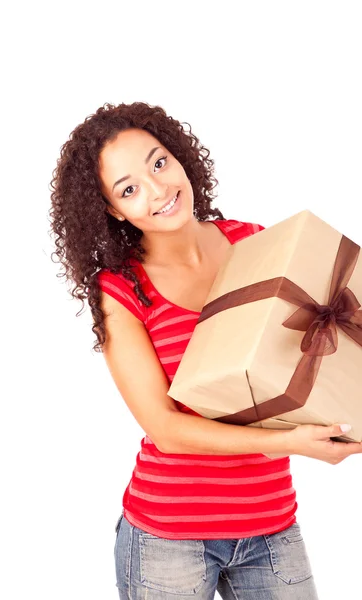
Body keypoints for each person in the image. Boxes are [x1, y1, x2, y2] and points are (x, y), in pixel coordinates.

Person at [49, 101, 362, 600]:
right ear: (112, 210)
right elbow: (165, 429)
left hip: (272, 522)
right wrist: (293, 442)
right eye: (129, 189)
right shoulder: (121, 289)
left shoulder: (255, 243)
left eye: (159, 163)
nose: (158, 190)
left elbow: (312, 356)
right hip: (168, 536)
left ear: (179, 155)